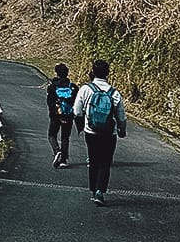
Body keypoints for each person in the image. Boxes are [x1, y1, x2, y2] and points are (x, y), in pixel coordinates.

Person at [73, 59, 127, 205]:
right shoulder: (114, 93)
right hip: (109, 134)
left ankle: (93, 190)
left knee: (93, 160)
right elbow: (121, 116)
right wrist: (122, 130)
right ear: (108, 73)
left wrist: (83, 122)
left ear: (93, 72)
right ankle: (100, 191)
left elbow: (77, 111)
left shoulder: (86, 89)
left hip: (91, 132)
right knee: (105, 162)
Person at [45, 63, 77, 168]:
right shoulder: (73, 87)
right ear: (67, 73)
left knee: (51, 135)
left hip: (55, 115)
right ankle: (63, 160)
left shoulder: (52, 87)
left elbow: (49, 102)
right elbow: (75, 102)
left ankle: (56, 150)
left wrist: (53, 111)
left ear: (56, 73)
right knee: (65, 137)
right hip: (68, 115)